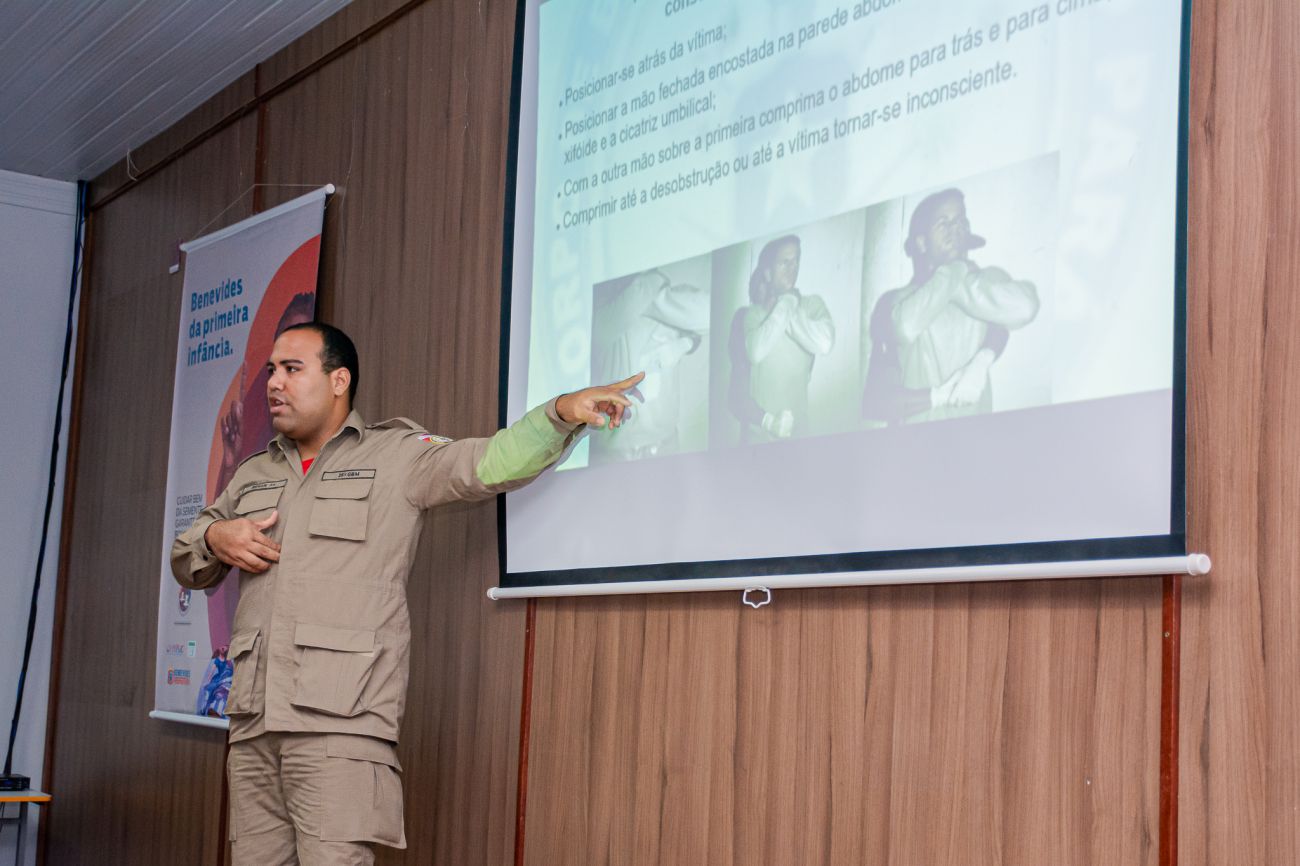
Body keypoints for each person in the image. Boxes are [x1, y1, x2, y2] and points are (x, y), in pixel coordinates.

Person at [171, 322, 640, 865]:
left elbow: (489, 463)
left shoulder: (396, 454)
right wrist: (214, 535)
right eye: (272, 370)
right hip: (253, 727)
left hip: (339, 729)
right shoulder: (254, 471)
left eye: (292, 369)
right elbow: (187, 560)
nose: (274, 382)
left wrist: (558, 412)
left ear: (339, 380)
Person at [862, 189, 1038, 424]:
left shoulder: (985, 283)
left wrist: (983, 359)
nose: (955, 229)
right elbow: (876, 402)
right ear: (921, 243)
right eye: (943, 223)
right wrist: (937, 397)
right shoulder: (895, 302)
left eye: (960, 221)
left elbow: (1023, 309)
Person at [589, 268, 708, 462]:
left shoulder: (660, 297)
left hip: (665, 446)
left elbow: (708, 313)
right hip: (613, 454)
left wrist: (686, 343)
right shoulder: (599, 305)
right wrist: (653, 282)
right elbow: (607, 327)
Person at [737, 235, 834, 440]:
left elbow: (825, 344)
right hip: (759, 439)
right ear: (768, 273)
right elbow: (755, 352)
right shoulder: (753, 315)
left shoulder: (812, 305)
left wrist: (788, 303)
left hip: (799, 437)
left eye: (796, 261)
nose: (792, 269)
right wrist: (787, 302)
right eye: (784, 263)